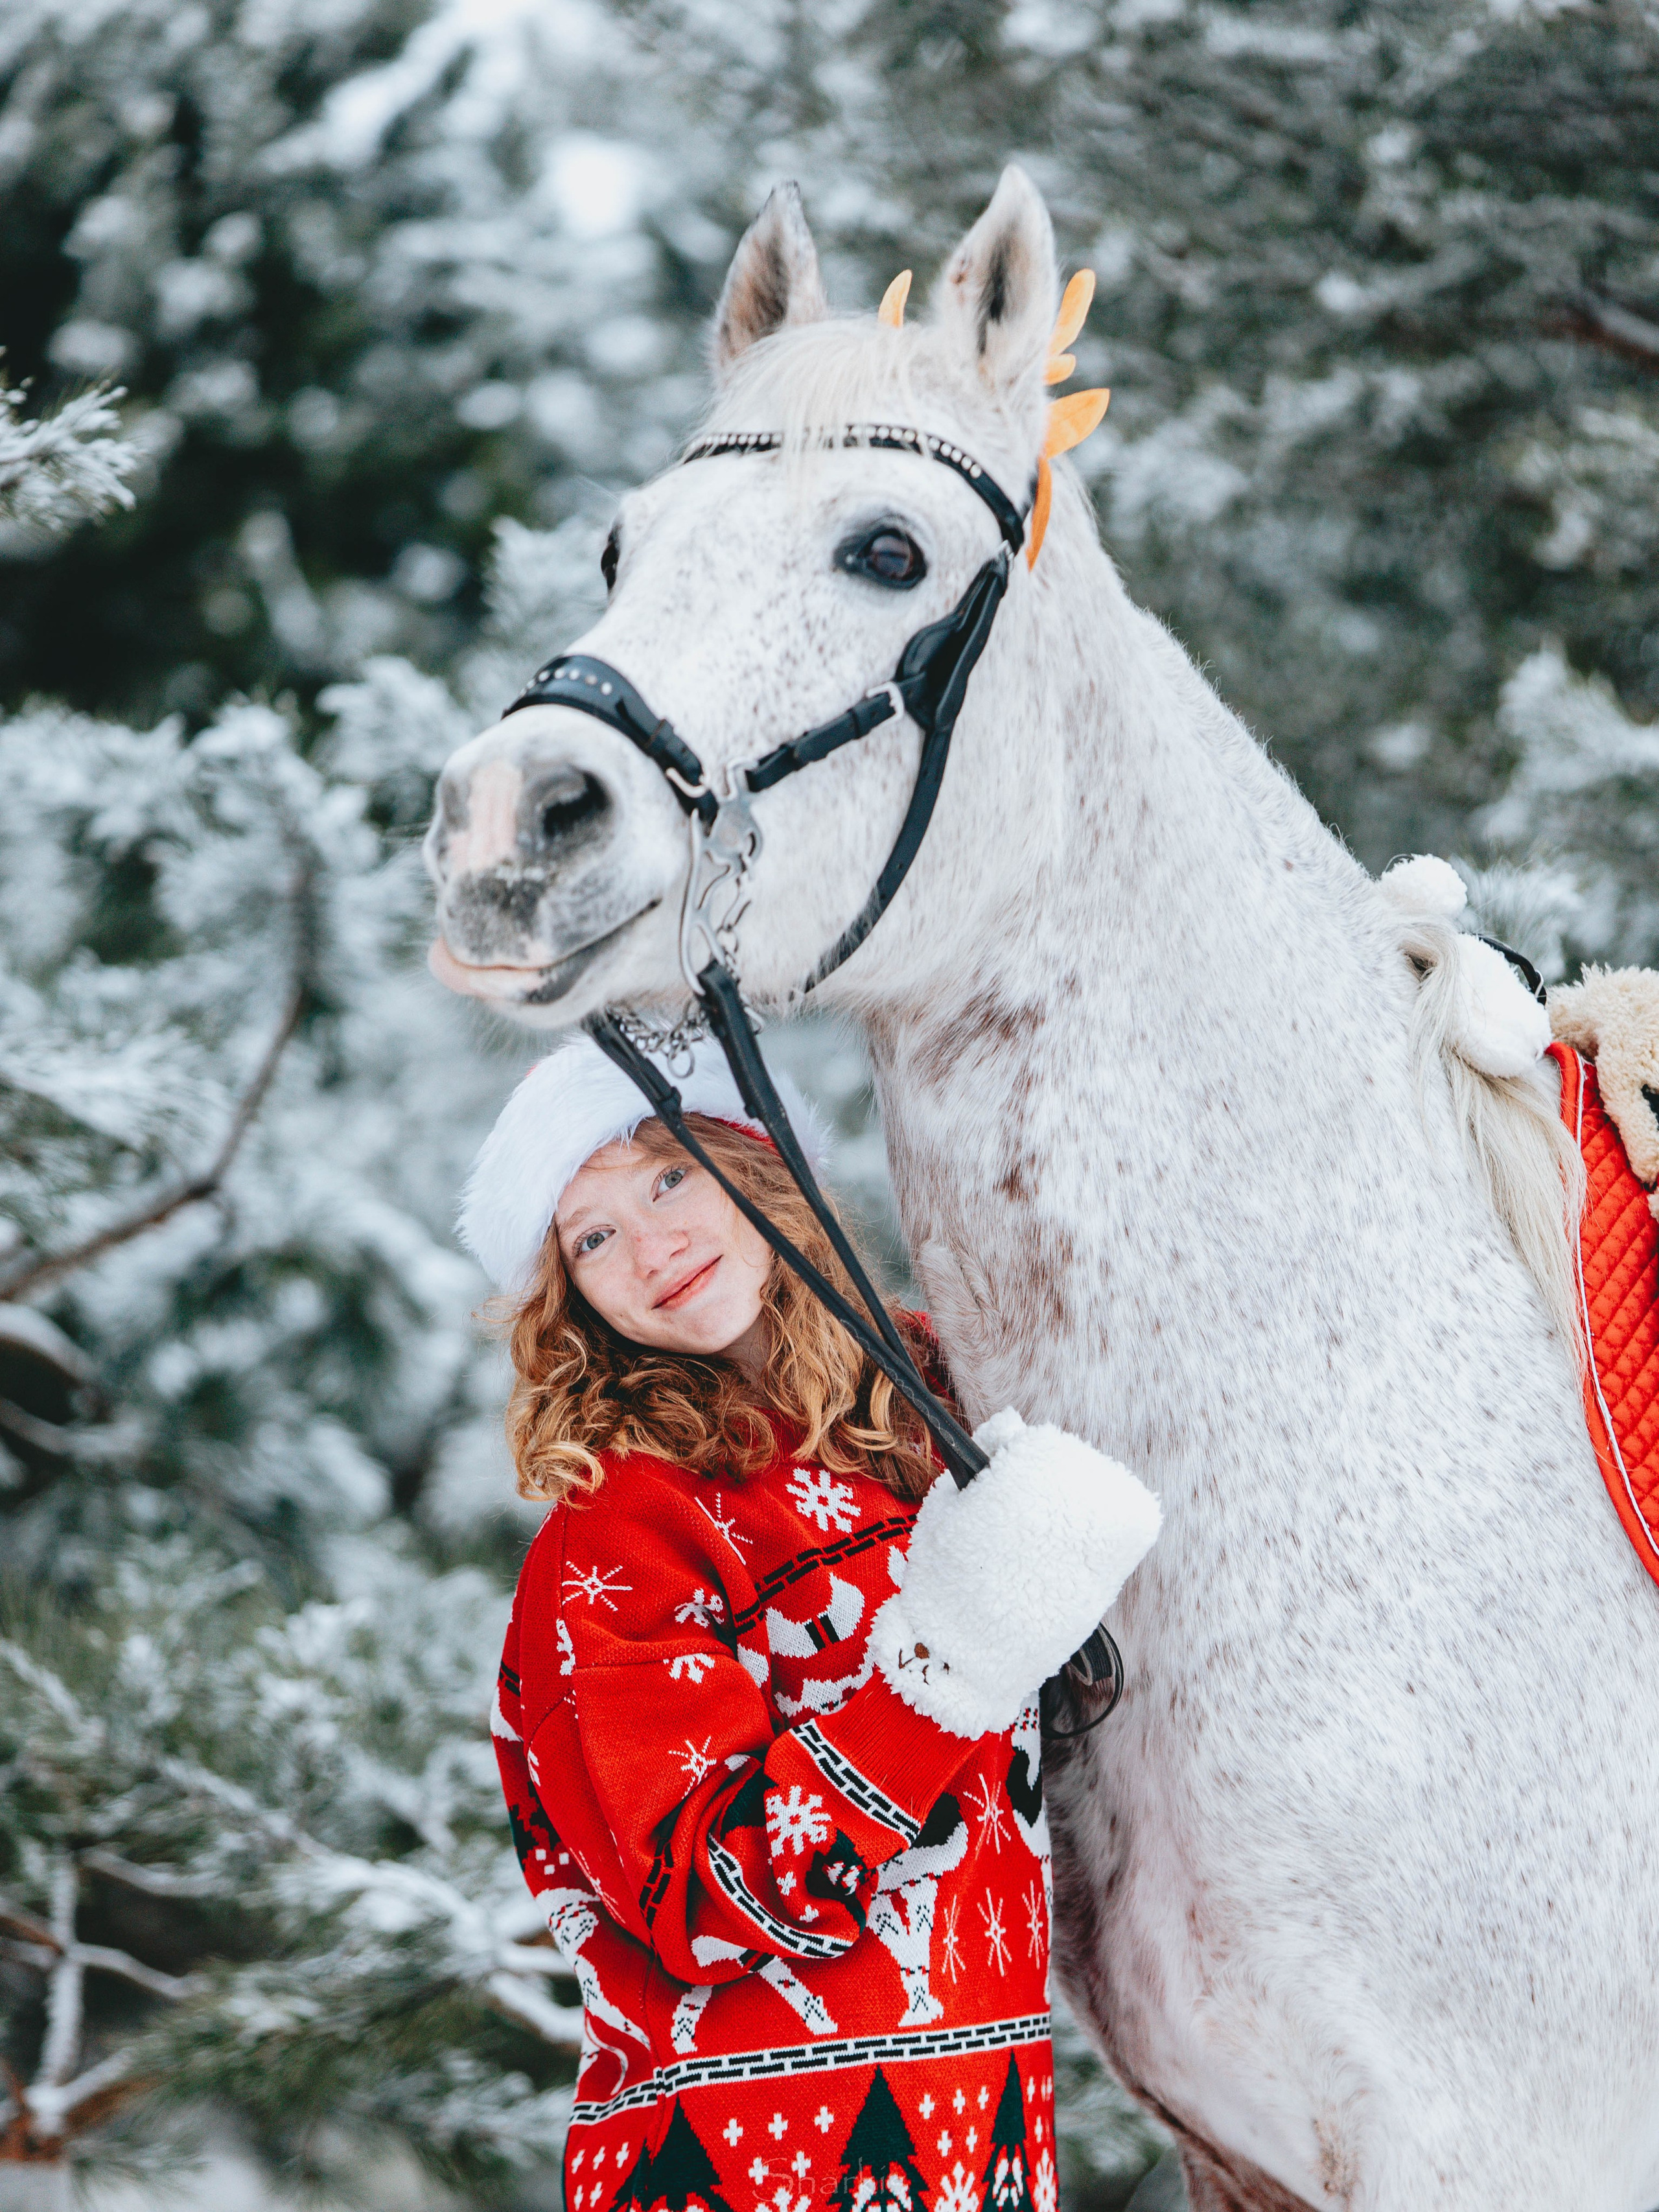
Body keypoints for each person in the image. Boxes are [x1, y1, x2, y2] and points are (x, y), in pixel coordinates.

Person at [463, 1036, 1161, 2212]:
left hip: (977, 2151)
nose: (651, 1244)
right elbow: (704, 1896)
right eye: (590, 1237)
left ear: (754, 1160)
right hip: (744, 2171)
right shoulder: (621, 1527)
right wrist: (945, 1670)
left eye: (667, 1176)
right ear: (570, 1297)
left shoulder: (930, 1399)